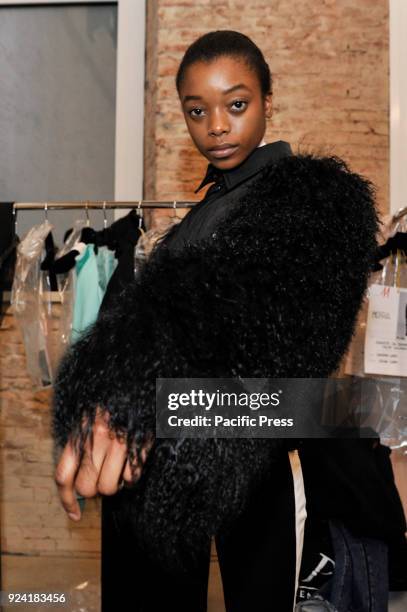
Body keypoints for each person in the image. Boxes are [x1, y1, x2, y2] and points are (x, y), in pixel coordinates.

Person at [52, 30, 405, 611]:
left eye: (236, 104)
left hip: (257, 463)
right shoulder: (207, 214)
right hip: (175, 472)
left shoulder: (311, 203)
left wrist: (139, 391)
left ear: (268, 101)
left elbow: (265, 340)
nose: (216, 125)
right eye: (197, 111)